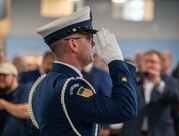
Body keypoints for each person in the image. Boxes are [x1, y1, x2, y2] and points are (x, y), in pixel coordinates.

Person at [28, 6, 137, 136]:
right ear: (73, 44)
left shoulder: (40, 84)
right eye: (89, 38)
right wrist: (117, 63)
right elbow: (126, 109)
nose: (93, 44)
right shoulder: (70, 88)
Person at [120, 50, 179, 136]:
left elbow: (176, 99)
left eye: (153, 62)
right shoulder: (134, 80)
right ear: (141, 64)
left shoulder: (170, 81)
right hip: (134, 131)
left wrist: (160, 84)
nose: (149, 64)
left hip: (161, 131)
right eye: (146, 61)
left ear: (160, 64)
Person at [0, 62, 31, 136]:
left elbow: (26, 111)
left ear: (14, 76)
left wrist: (4, 104)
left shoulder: (25, 89)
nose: (1, 78)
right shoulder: (2, 94)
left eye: (4, 75)